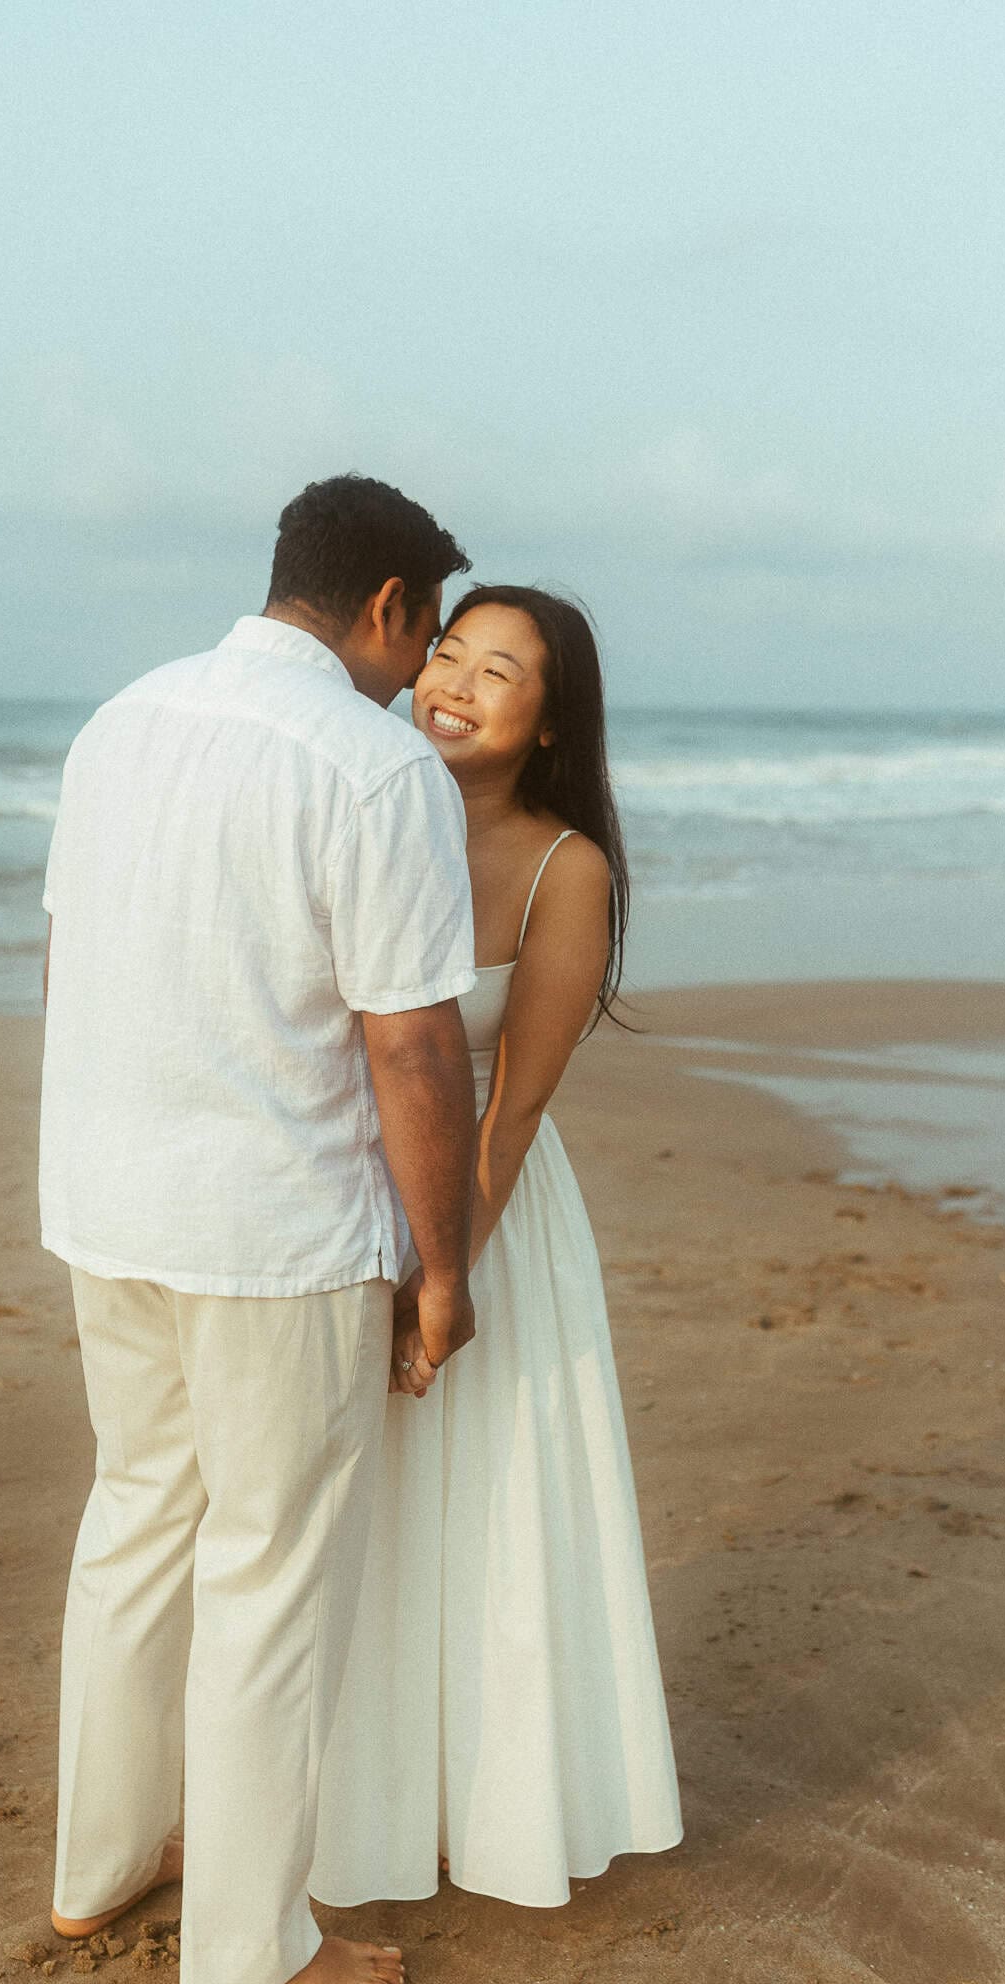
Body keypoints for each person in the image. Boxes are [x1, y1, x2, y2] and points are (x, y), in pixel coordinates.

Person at [38, 476, 479, 1984]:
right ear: (385, 608)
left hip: (107, 1203)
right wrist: (443, 1267)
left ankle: (95, 1868)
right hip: (269, 1228)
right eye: (421, 637)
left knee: (137, 1524)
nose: (420, 674)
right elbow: (414, 1048)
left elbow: (70, 957)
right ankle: (245, 1955)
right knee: (269, 1578)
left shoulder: (122, 722)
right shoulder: (369, 767)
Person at [311, 586, 682, 1910]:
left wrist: (438, 1268)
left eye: (498, 671)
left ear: (548, 719)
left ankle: (488, 1802)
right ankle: (353, 1801)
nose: (454, 684)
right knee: (357, 1522)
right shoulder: (367, 801)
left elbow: (514, 1103)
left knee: (487, 1509)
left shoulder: (560, 865)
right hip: (341, 1204)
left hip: (483, 1212)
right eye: (447, 654)